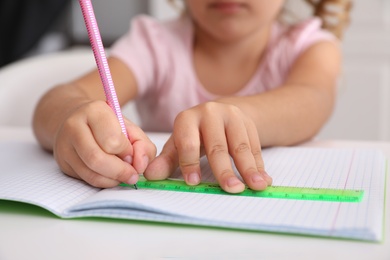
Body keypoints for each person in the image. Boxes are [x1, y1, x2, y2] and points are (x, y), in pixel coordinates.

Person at [33, 0, 352, 193]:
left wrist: (238, 114)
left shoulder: (309, 46)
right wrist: (69, 120)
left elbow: (313, 99)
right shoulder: (155, 44)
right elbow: (57, 101)